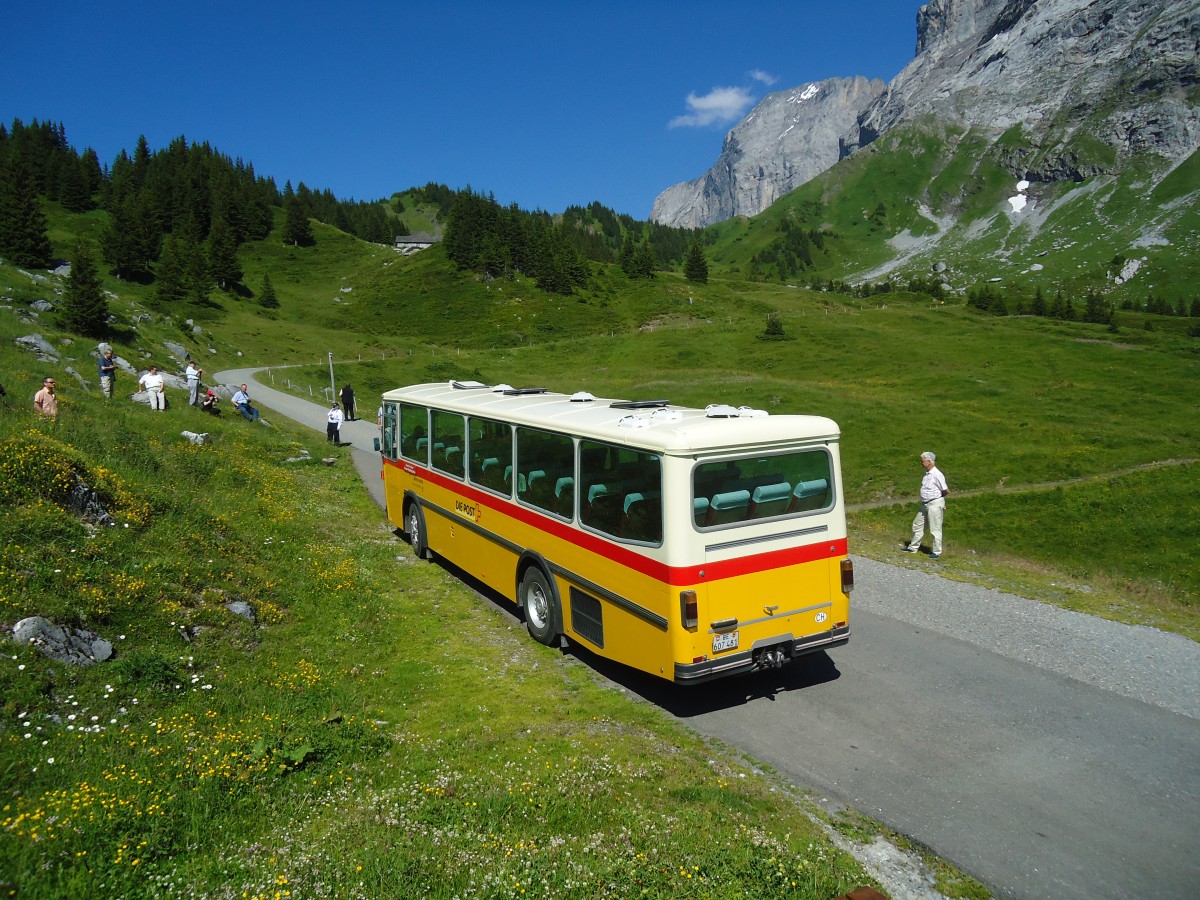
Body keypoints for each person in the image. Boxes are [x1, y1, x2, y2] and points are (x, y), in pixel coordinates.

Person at [903, 451, 949, 559]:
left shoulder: (937, 474)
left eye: (923, 460)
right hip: (925, 504)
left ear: (929, 462)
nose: (921, 462)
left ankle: (937, 551)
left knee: (935, 528)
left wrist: (940, 501)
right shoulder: (927, 475)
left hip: (934, 503)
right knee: (917, 524)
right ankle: (913, 547)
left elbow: (945, 490)